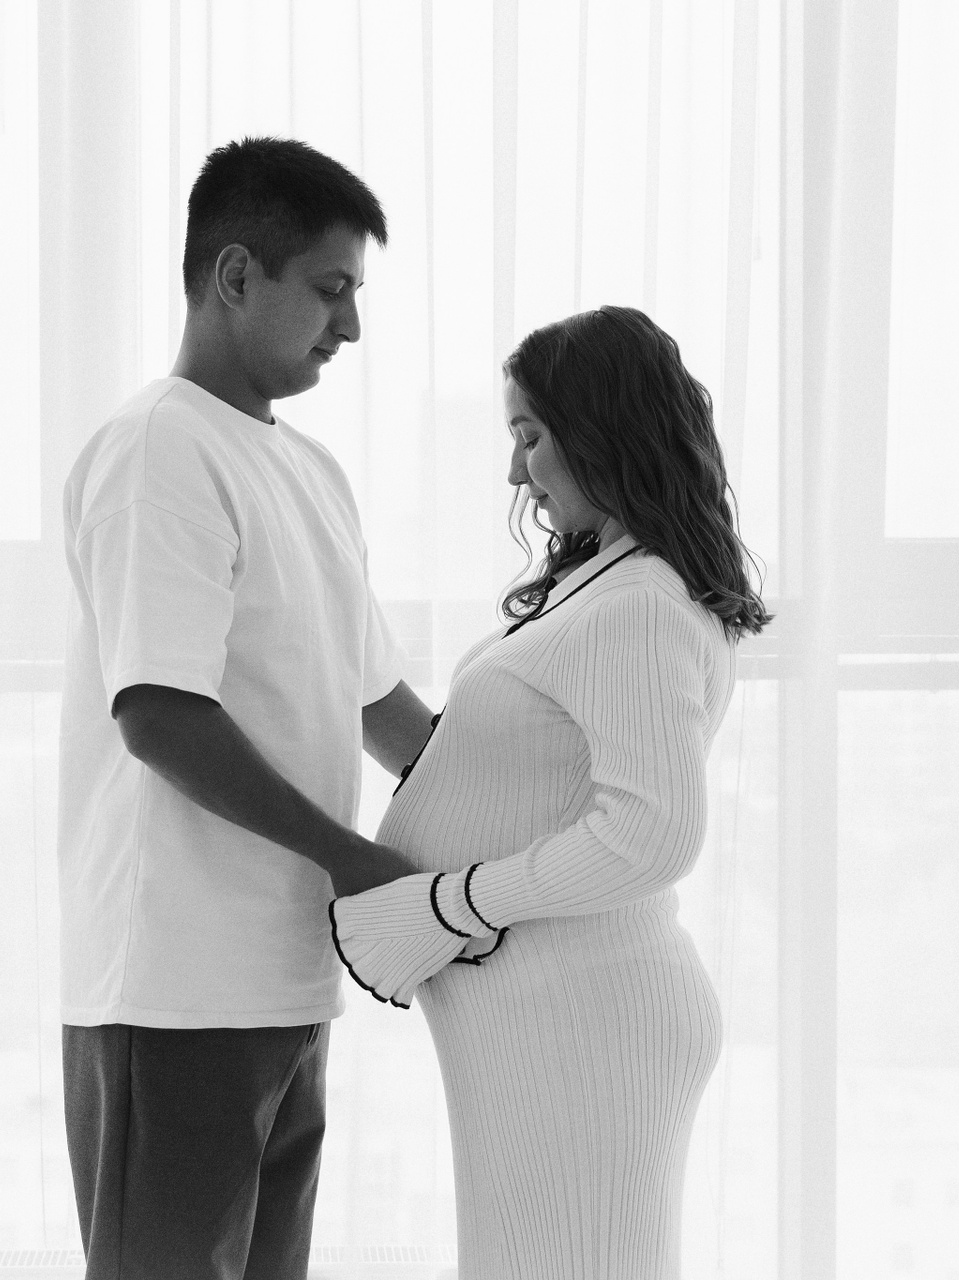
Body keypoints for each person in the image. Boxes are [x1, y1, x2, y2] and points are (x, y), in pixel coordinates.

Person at [57, 136, 434, 1280]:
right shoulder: (159, 448)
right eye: (329, 289)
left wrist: (531, 805)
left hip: (285, 979)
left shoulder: (312, 471)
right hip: (173, 985)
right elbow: (160, 713)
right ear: (234, 275)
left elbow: (382, 705)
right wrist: (354, 859)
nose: (350, 325)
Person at [330, 306, 771, 1278]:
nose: (515, 472)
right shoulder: (610, 583)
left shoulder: (640, 603)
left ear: (601, 430)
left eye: (529, 435)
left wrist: (454, 903)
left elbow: (652, 834)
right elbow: (515, 775)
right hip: (553, 1013)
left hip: (581, 1019)